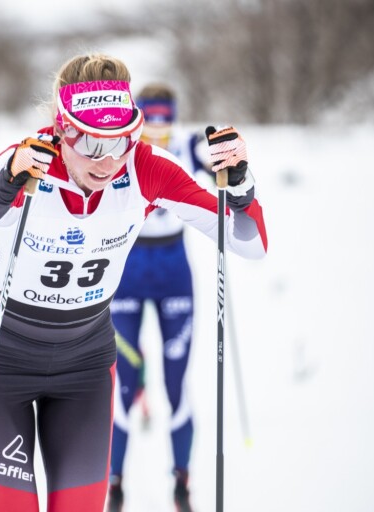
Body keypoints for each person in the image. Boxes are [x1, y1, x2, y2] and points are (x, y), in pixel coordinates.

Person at [0, 52, 268, 512]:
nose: (108, 160)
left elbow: (248, 244)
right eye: (92, 143)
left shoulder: (146, 167)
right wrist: (3, 189)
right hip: (1, 359)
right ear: (62, 129)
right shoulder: (26, 163)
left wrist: (241, 187)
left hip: (84, 364)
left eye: (122, 140)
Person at [107, 83, 212, 512]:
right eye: (149, 119)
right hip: (127, 275)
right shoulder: (125, 149)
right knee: (122, 384)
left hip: (173, 277)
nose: (157, 129)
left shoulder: (188, 145)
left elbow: (215, 162)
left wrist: (228, 166)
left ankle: (181, 481)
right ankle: (114, 485)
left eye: (165, 120)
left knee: (175, 382)